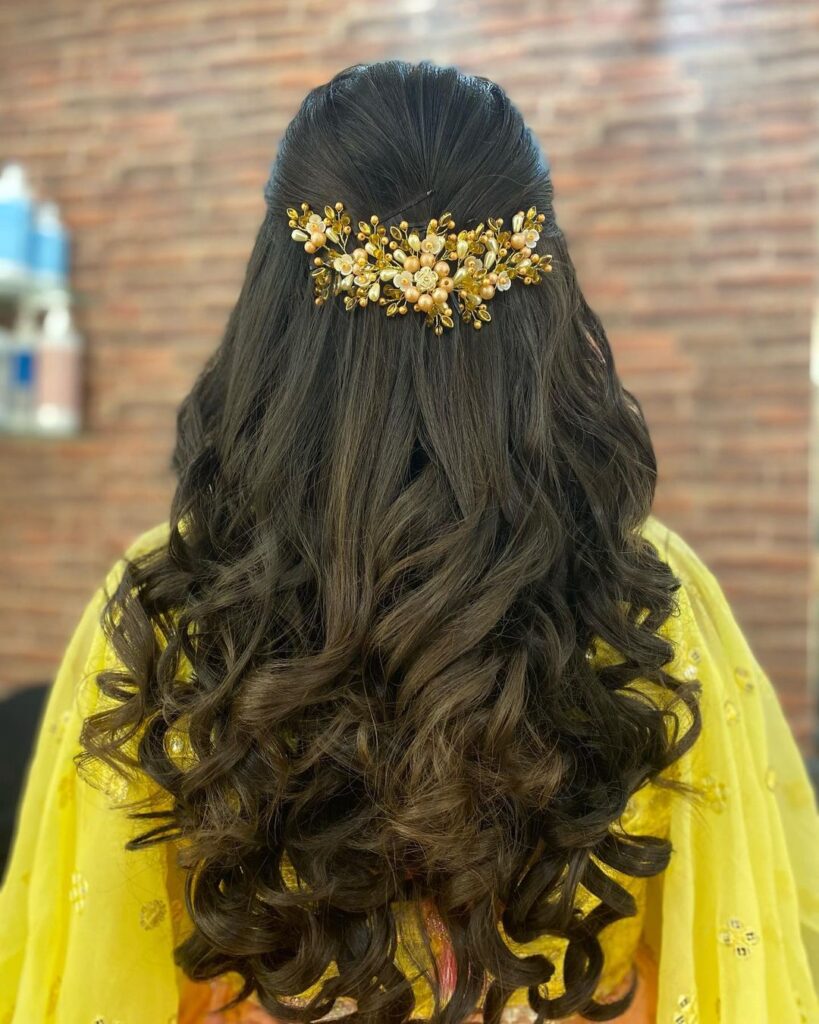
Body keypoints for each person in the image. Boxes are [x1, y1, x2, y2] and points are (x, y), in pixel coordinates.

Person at [0, 59, 816, 1024]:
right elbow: (733, 961)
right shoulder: (648, 594)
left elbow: (98, 975)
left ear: (273, 306)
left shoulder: (170, 599)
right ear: (542, 307)